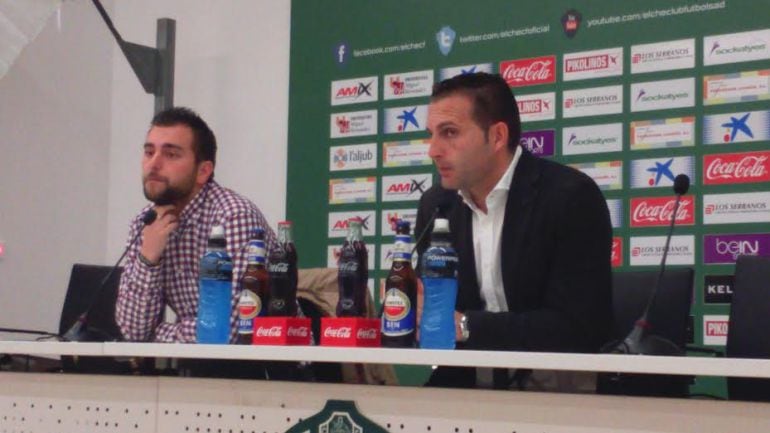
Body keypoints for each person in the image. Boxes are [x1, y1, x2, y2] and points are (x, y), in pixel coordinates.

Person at [415, 72, 612, 389]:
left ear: (496, 136)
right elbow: (434, 311)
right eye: (431, 135)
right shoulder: (437, 206)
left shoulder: (569, 197)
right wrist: (411, 306)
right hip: (467, 385)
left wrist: (466, 326)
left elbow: (577, 326)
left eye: (449, 133)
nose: (433, 150)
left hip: (560, 388)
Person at [116, 107, 277, 344]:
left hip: (265, 371)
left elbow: (230, 332)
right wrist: (148, 259)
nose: (154, 164)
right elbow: (132, 332)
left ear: (203, 171)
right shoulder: (146, 224)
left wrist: (157, 335)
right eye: (149, 152)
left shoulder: (232, 216)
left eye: (171, 154)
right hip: (194, 370)